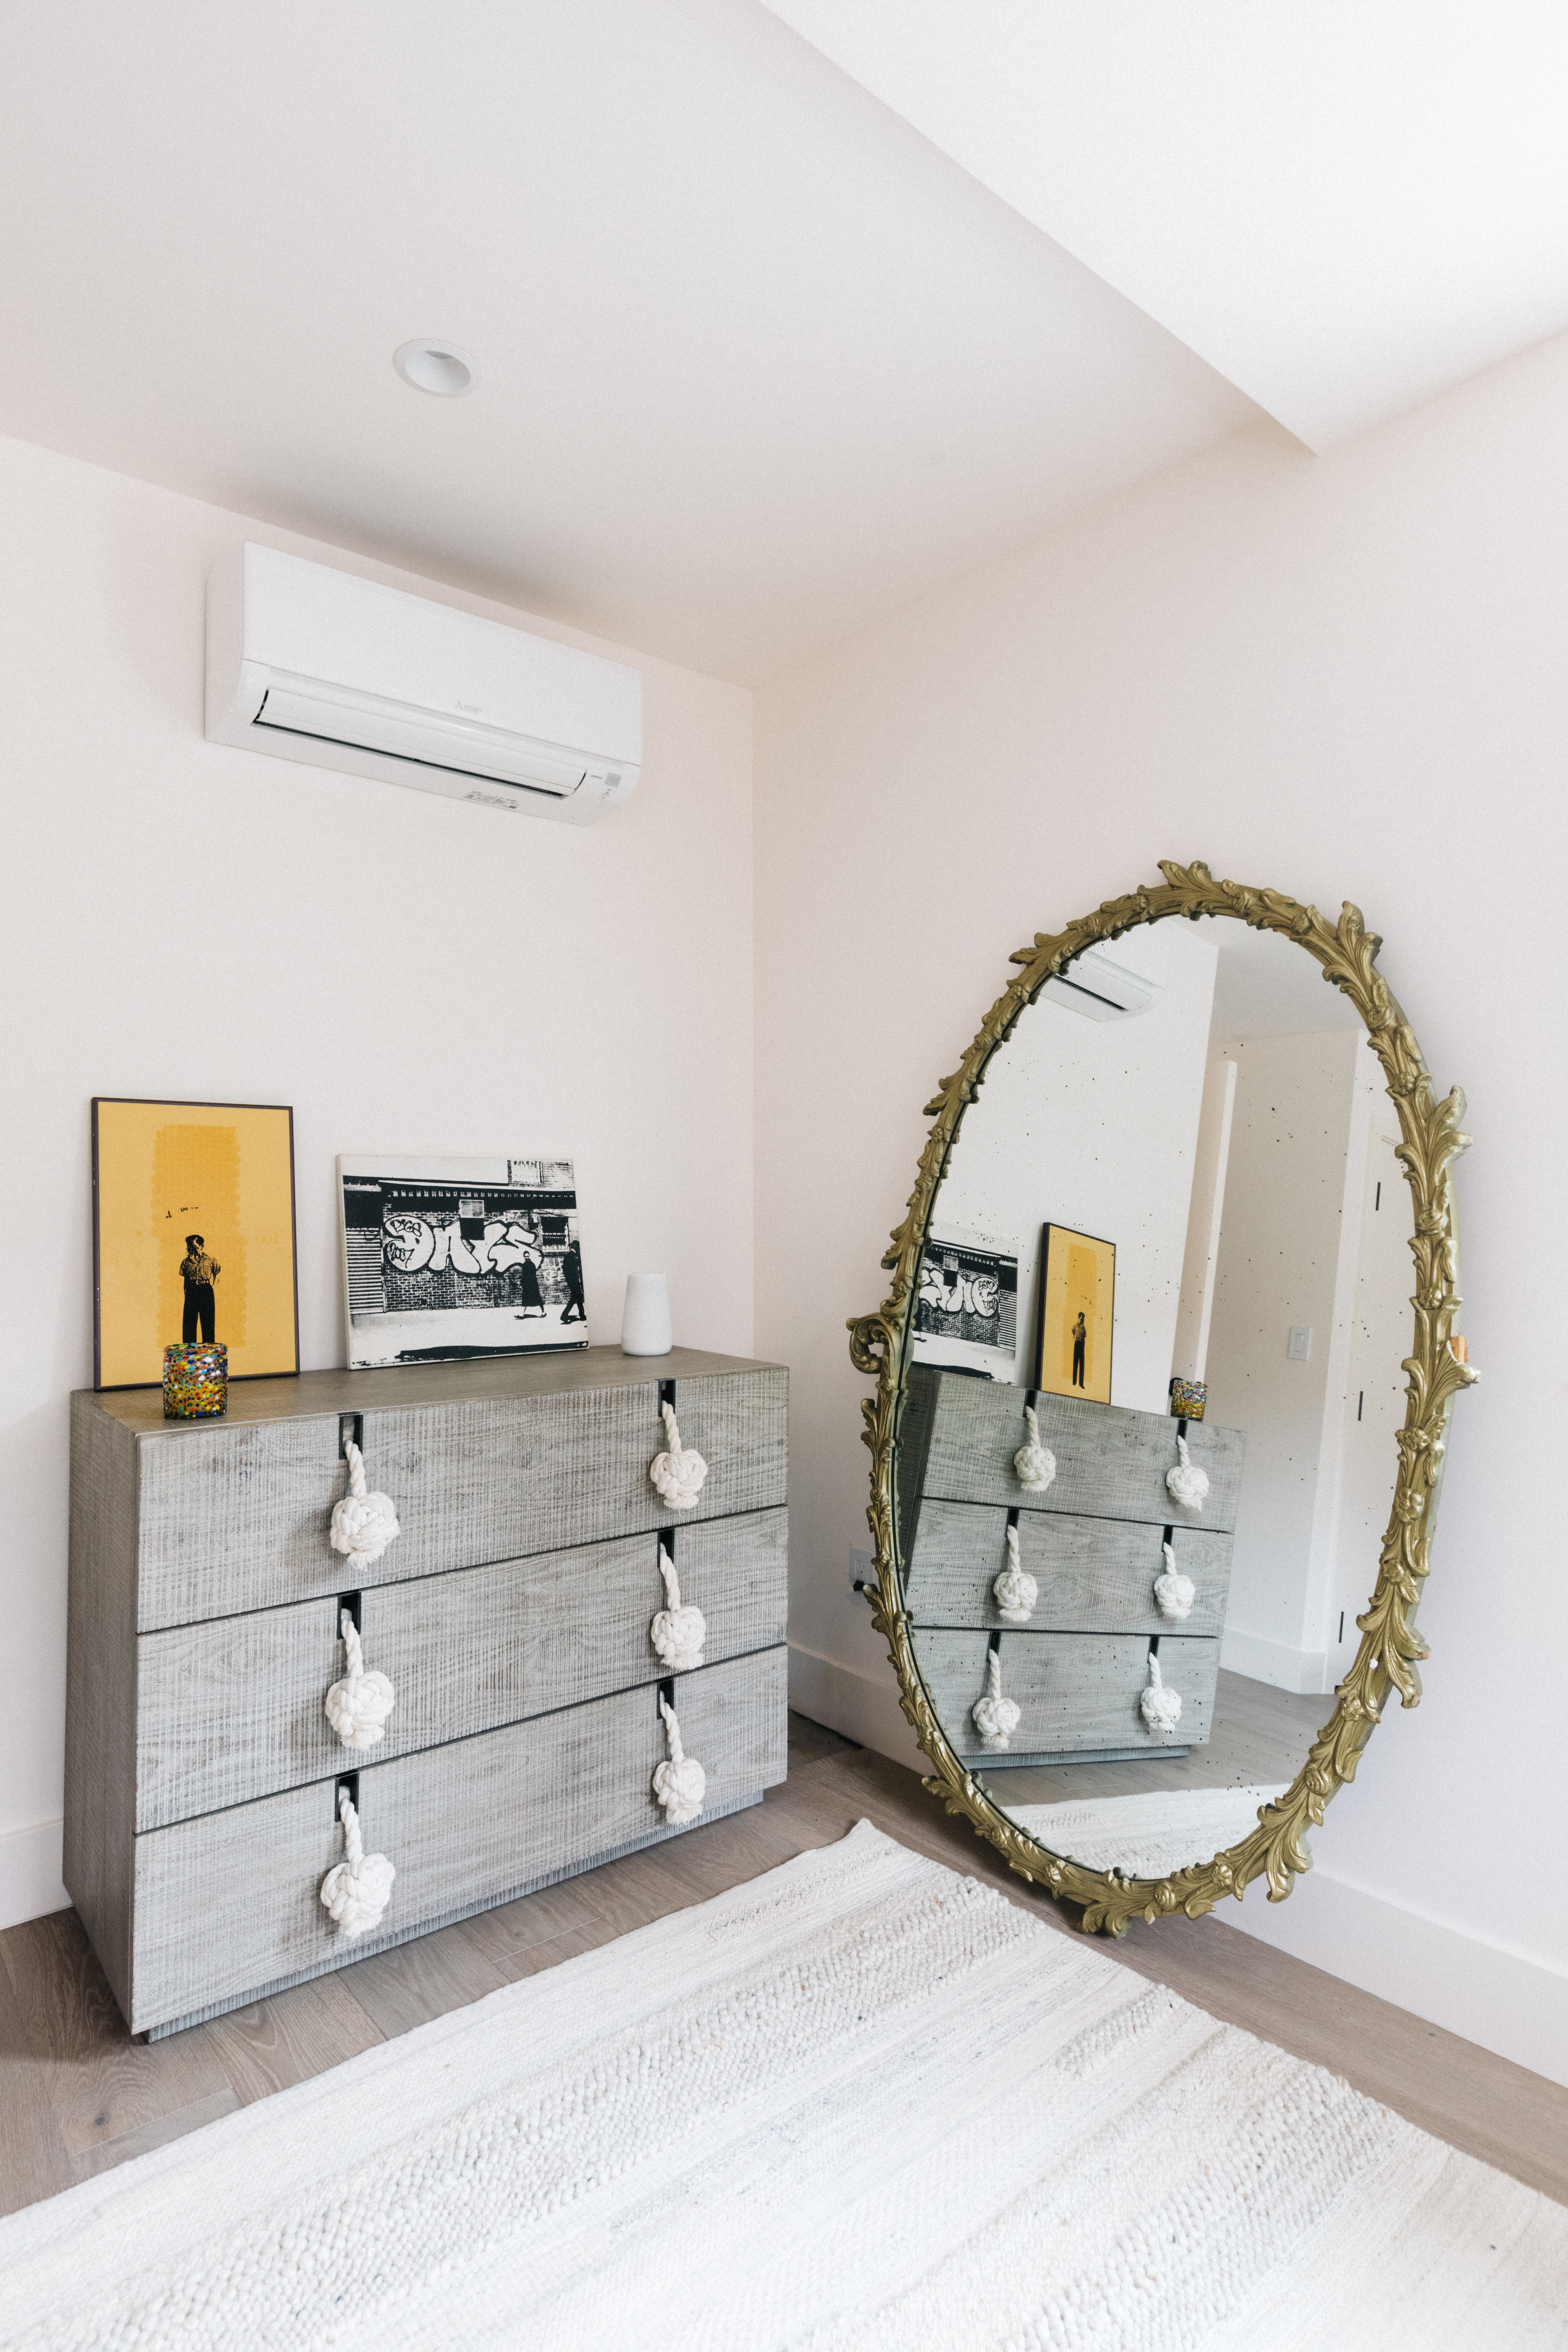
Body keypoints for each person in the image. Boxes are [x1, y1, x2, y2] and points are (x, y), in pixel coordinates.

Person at [180, 1233, 220, 1344]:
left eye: (194, 1246)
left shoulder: (211, 1260)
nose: (191, 1249)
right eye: (189, 1246)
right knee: (189, 1322)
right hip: (191, 1290)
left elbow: (217, 1275)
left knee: (208, 1321)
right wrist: (187, 1292)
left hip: (206, 1290)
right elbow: (185, 1280)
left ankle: (209, 1349)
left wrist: (211, 1289)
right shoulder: (185, 1262)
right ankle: (189, 1350)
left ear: (202, 1246)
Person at [559, 1238, 586, 1325]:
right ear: (576, 1247)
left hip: (573, 1281)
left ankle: (582, 1315)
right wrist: (573, 1280)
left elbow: (565, 1270)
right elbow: (570, 1271)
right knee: (575, 1298)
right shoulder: (571, 1256)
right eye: (579, 1247)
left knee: (580, 1297)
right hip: (574, 1282)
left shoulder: (570, 1256)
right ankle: (564, 1315)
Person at [1071, 1309, 1086, 1390]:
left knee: (1082, 1364)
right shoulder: (1075, 1326)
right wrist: (1075, 1341)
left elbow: (1084, 1339)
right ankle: (1074, 1382)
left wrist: (1083, 1347)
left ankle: (1081, 1384)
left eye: (1083, 1319)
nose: (1082, 1321)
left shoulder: (1084, 1329)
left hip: (1082, 1345)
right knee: (1075, 1363)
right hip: (1077, 1344)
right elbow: (1073, 1334)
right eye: (1081, 1319)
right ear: (1079, 1318)